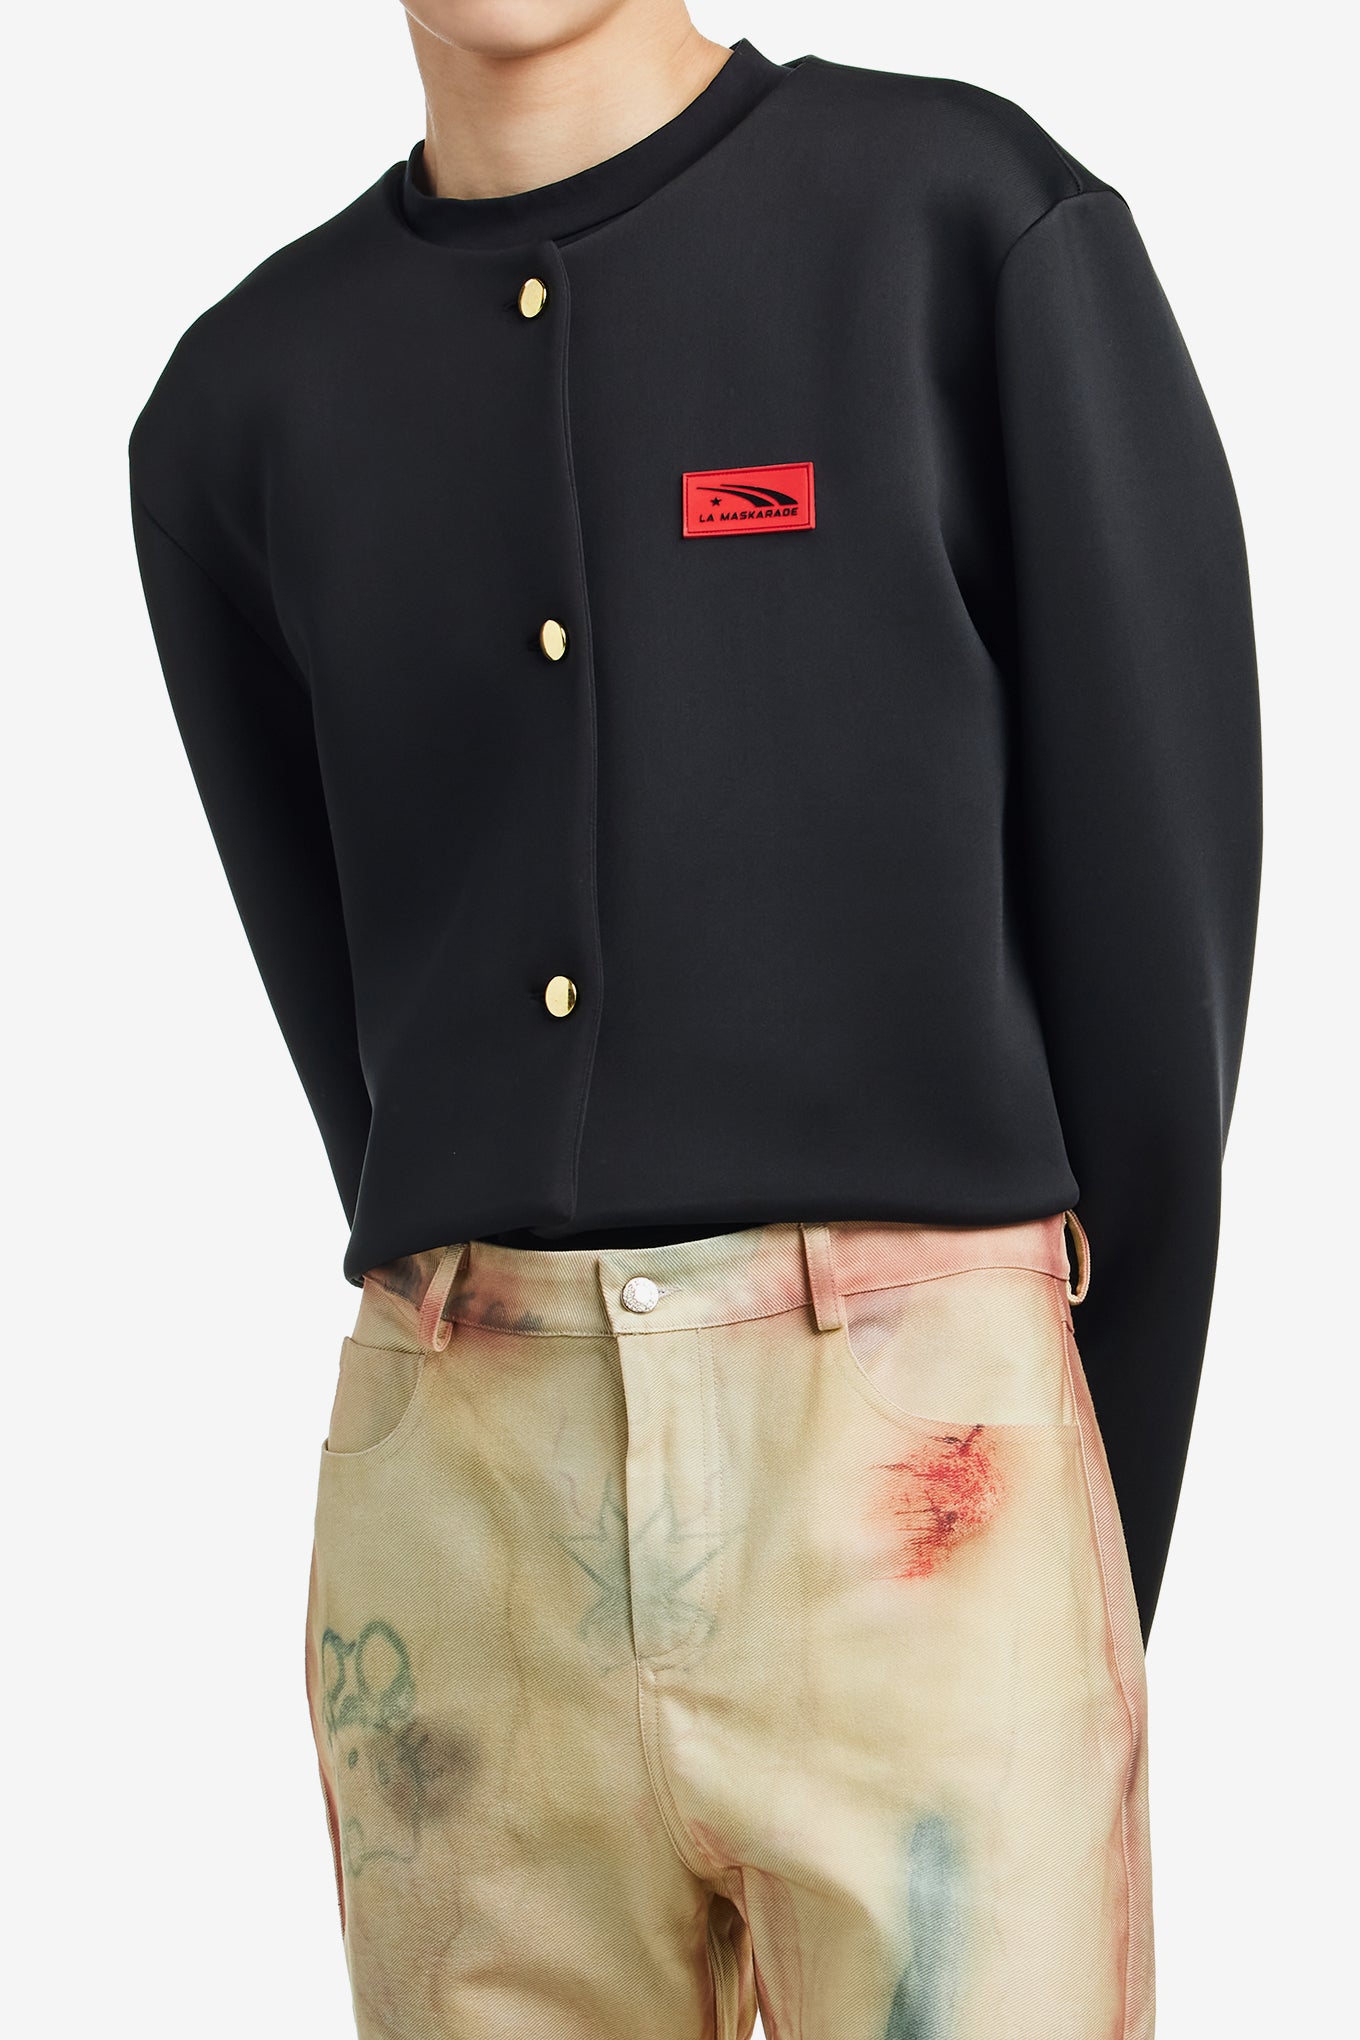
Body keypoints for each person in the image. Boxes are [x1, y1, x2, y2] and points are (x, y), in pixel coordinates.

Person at [127, 4, 1262, 2033]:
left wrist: (1052, 1515)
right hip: (458, 1512)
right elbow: (362, 1035)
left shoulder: (961, 228)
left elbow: (1152, 950)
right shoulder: (240, 411)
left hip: (927, 1491)